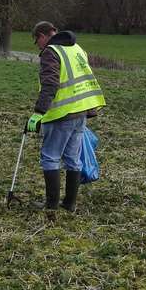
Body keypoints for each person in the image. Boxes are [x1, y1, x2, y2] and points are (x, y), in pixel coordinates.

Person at [26, 21, 106, 213]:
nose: (38, 45)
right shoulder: (76, 48)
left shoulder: (51, 52)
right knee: (72, 158)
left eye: (36, 40)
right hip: (81, 112)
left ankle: (52, 205)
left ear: (43, 35)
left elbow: (50, 85)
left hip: (61, 113)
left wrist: (38, 113)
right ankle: (69, 203)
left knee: (50, 157)